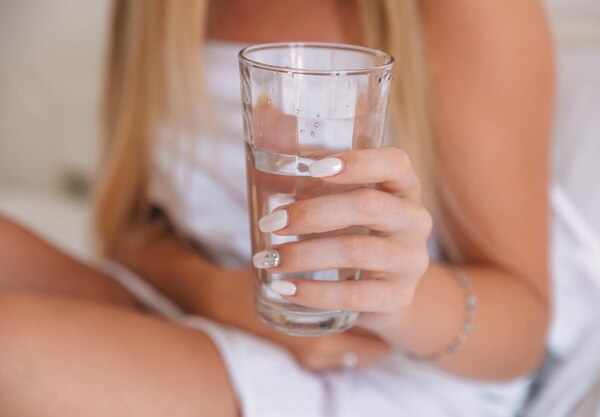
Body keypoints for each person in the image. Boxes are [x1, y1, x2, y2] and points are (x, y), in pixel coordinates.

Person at [0, 0, 554, 416]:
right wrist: (217, 291)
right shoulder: (160, 12)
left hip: (381, 373)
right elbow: (135, 229)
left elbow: (524, 333)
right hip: (209, 307)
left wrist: (391, 298)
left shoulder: (469, 13)